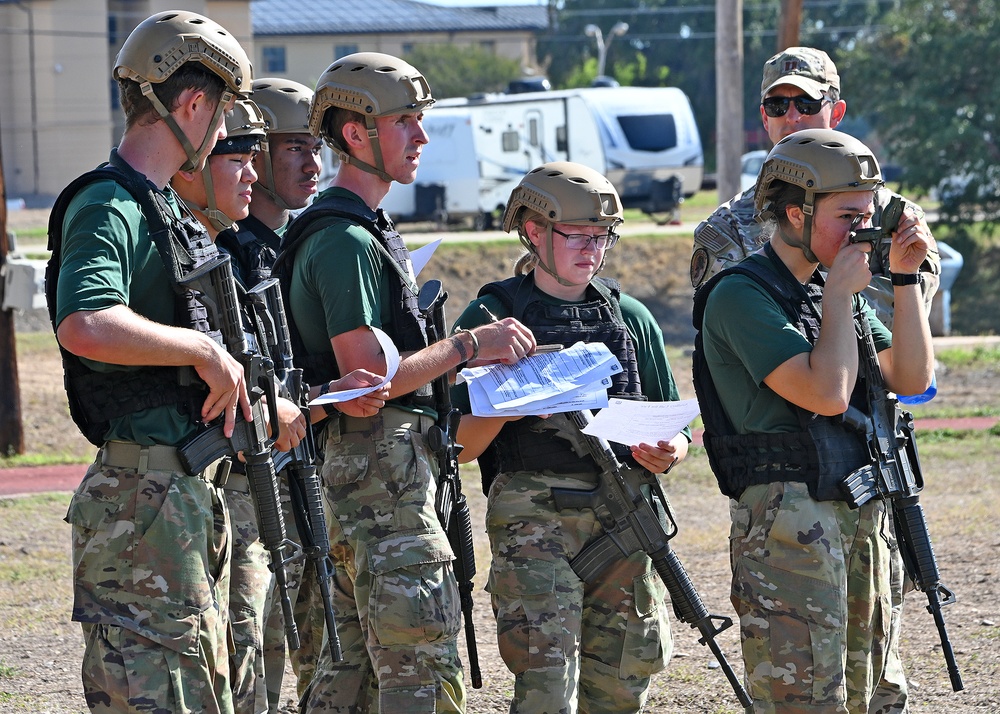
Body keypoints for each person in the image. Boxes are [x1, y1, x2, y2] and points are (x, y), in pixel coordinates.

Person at [275, 52, 536, 712]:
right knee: (421, 671)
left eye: (421, 122)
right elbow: (371, 376)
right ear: (356, 135)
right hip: (382, 488)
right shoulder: (344, 241)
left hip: (372, 482)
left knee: (351, 684)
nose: (421, 137)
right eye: (404, 122)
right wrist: (470, 345)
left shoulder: (361, 232)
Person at [47, 10, 252, 712]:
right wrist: (202, 349)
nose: (223, 135)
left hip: (174, 505)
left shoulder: (160, 208)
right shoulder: (112, 205)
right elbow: (86, 321)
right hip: (143, 512)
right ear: (192, 106)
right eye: (221, 115)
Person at [692, 128, 934, 712]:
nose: (863, 230)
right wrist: (837, 299)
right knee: (803, 697)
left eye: (868, 215)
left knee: (871, 691)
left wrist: (903, 281)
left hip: (856, 510)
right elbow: (826, 394)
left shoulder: (834, 290)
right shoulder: (739, 295)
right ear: (796, 214)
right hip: (788, 526)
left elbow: (913, 379)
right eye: (847, 216)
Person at [172, 98, 388, 714]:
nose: (309, 162)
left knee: (303, 641)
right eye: (286, 147)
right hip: (234, 473)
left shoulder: (274, 249)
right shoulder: (217, 250)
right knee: (248, 645)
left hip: (289, 462)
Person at [451, 161, 691, 713]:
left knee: (623, 679)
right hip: (534, 516)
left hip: (625, 512)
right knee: (546, 681)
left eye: (602, 236)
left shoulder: (628, 316)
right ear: (534, 232)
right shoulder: (494, 314)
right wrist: (514, 401)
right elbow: (458, 446)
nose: (593, 249)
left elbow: (672, 421)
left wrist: (668, 449)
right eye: (577, 235)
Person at [691, 46, 940, 331]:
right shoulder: (728, 227)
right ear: (764, 118)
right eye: (777, 106)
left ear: (836, 113)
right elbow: (730, 326)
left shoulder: (895, 218)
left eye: (807, 103)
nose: (792, 117)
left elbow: (907, 322)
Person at [220, 77, 323, 289]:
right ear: (254, 155)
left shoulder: (315, 238)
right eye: (295, 149)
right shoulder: (222, 246)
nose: (313, 166)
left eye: (316, 150)